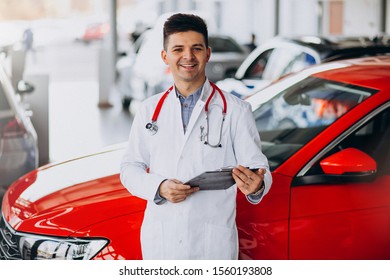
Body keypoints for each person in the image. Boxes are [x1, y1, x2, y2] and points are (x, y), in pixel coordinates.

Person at [120, 13, 272, 260]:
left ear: (207, 53)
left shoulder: (235, 110)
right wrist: (158, 187)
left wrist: (257, 186)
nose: (188, 57)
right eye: (178, 49)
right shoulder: (149, 109)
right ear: (165, 56)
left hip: (211, 245)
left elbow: (258, 169)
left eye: (196, 48)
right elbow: (130, 167)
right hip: (162, 241)